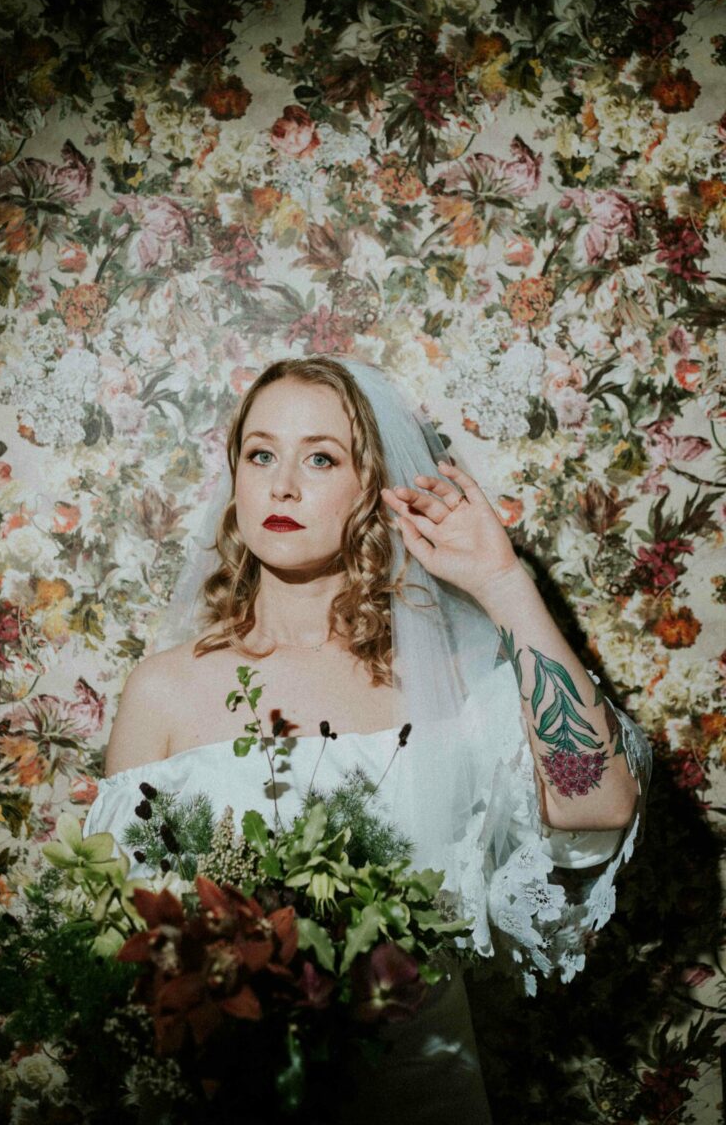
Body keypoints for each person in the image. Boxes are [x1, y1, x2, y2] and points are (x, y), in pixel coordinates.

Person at [83, 355, 652, 1123]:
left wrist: (503, 583)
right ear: (236, 478)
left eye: (321, 458)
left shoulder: (449, 681)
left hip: (421, 1096)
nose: (282, 485)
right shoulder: (163, 690)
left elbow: (598, 804)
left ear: (374, 486)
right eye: (261, 455)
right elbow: (121, 952)